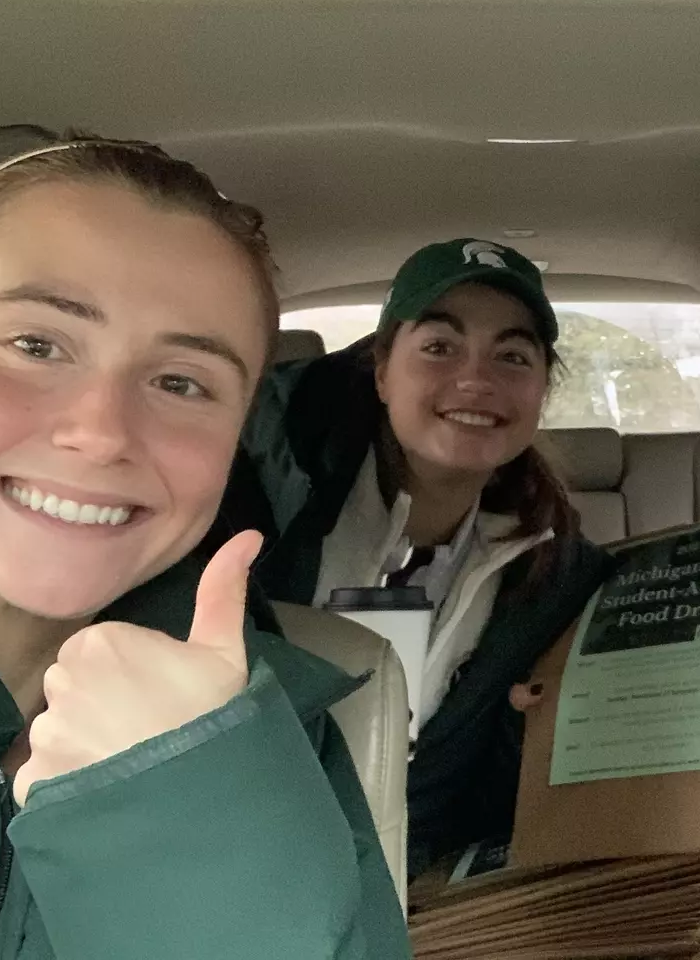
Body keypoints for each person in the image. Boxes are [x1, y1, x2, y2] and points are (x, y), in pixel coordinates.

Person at [0, 139, 411, 959]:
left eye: (180, 383)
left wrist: (182, 814)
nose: (100, 432)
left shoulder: (275, 732)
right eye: (36, 345)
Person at [216, 237, 613, 877]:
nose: (476, 380)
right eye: (439, 347)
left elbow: (478, 807)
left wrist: (525, 733)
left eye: (512, 356)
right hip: (230, 858)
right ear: (381, 372)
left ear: (542, 389)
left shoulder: (555, 580)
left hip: (410, 889)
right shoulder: (252, 501)